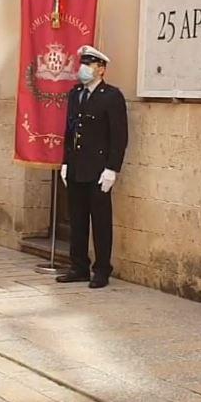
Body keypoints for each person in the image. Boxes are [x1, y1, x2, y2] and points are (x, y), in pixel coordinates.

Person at [58, 45, 128, 289]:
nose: (83, 69)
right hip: (77, 167)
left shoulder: (111, 96)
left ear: (101, 69)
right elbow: (69, 131)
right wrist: (65, 162)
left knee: (100, 221)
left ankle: (101, 270)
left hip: (99, 170)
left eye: (89, 65)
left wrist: (112, 169)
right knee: (77, 219)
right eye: (83, 64)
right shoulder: (75, 94)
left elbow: (119, 136)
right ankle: (78, 266)